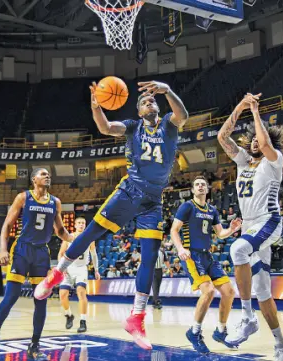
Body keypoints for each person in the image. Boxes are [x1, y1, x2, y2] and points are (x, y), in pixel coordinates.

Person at [34, 80, 188, 350]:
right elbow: (105, 127)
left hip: (153, 200)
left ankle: (136, 317)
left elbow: (183, 115)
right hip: (129, 191)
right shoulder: (132, 127)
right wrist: (96, 107)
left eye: (152, 101)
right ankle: (57, 274)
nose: (149, 103)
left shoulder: (169, 124)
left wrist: (167, 89)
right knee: (92, 231)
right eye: (144, 103)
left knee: (150, 257)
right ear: (139, 112)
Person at [217, 93, 283, 360]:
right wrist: (241, 106)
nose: (257, 141)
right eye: (254, 139)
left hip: (269, 222)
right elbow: (222, 138)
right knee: (262, 290)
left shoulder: (274, 160)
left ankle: (247, 316)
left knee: (237, 250)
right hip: (251, 227)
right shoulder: (243, 160)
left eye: (260, 138)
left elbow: (267, 142)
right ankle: (281, 343)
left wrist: (256, 113)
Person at [0, 168, 73, 361]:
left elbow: (60, 231)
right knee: (11, 297)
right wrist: (3, 250)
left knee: (41, 300)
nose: (47, 176)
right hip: (22, 250)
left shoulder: (55, 202)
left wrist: (75, 239)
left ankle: (34, 345)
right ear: (34, 179)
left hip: (42, 252)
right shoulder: (23, 197)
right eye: (43, 174)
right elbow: (7, 226)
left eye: (48, 174)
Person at [170, 176, 242, 354]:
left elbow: (220, 234)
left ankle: (220, 331)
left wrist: (231, 230)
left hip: (207, 256)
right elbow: (174, 230)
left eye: (203, 184)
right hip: (192, 256)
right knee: (208, 291)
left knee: (229, 292)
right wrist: (180, 249)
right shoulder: (187, 206)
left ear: (207, 189)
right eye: (197, 185)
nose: (200, 186)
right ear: (193, 190)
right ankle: (194, 332)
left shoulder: (212, 210)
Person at [58, 217, 100, 333]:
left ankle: (83, 321)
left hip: (81, 268)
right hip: (68, 267)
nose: (81, 225)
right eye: (79, 223)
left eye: (83, 223)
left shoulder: (90, 238)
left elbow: (94, 254)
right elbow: (60, 254)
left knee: (81, 292)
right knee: (62, 294)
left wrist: (96, 270)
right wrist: (61, 268)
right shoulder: (68, 238)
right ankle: (69, 315)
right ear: (75, 225)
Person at [152, 244, 173, 309]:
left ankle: (154, 301)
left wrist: (170, 270)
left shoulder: (162, 251)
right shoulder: (150, 251)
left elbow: (166, 261)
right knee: (155, 286)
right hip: (152, 270)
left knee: (157, 286)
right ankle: (157, 302)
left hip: (159, 270)